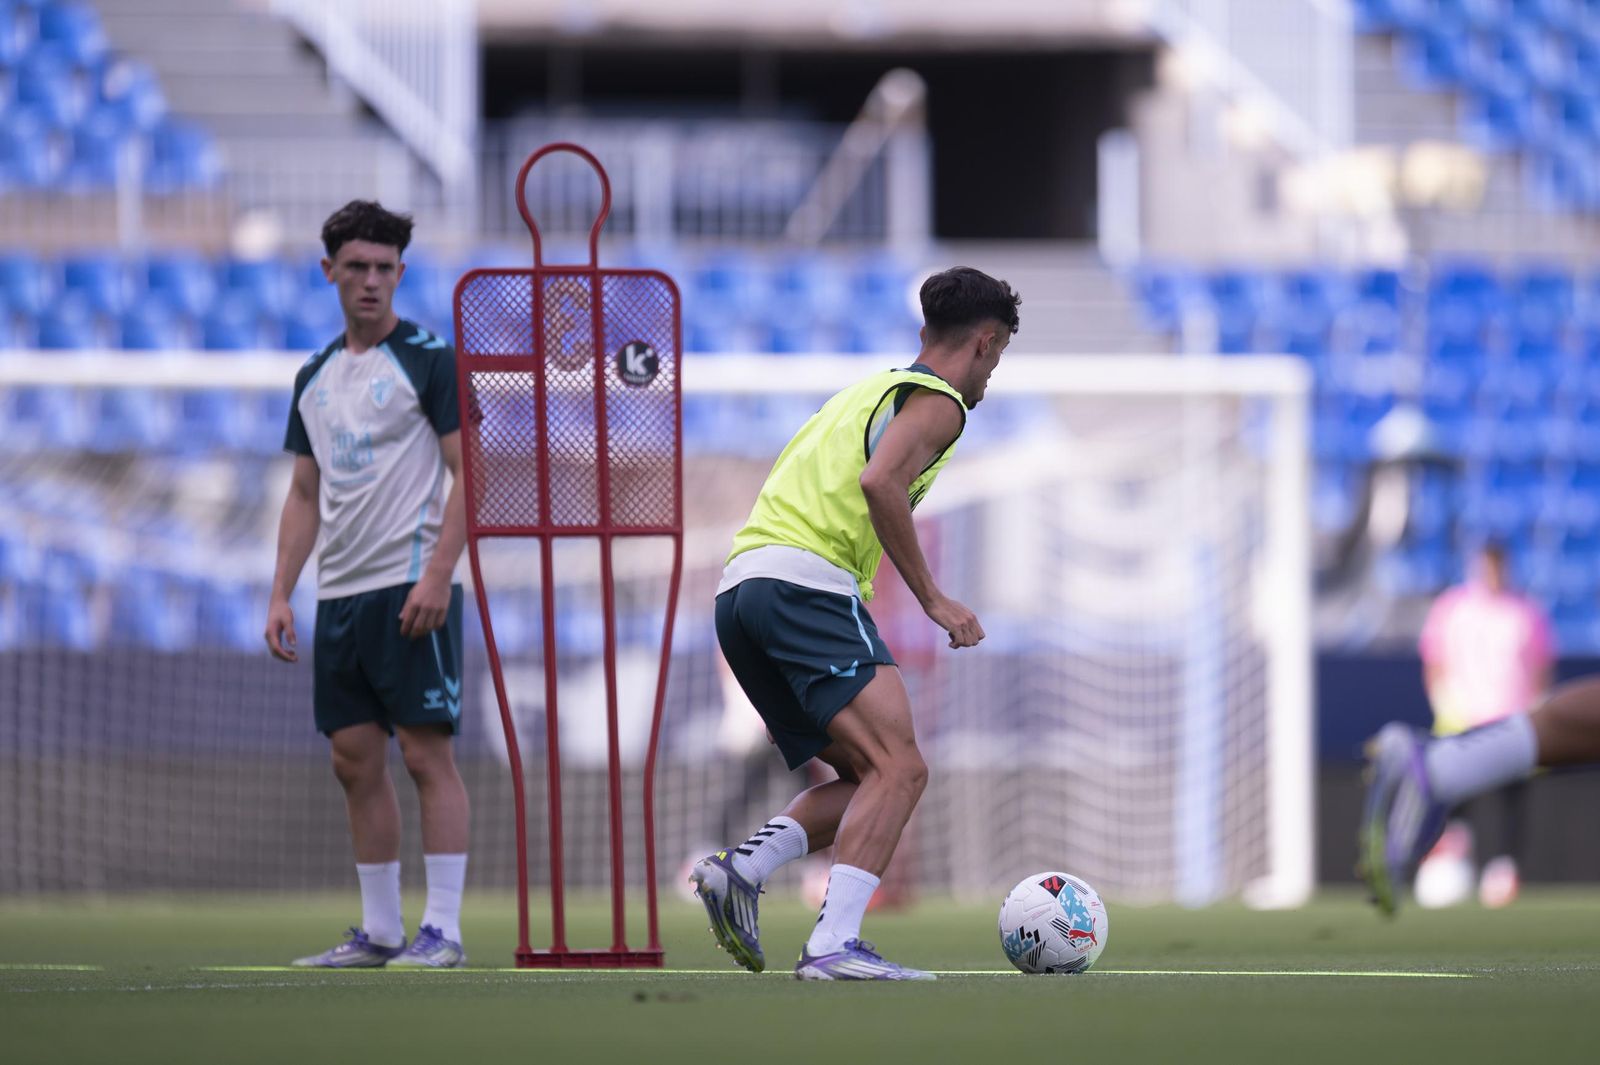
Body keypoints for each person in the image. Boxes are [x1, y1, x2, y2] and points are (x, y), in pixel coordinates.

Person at [689, 266, 1020, 980]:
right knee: (903, 768)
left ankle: (741, 868)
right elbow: (879, 483)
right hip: (806, 584)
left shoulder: (867, 390)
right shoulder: (940, 404)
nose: (992, 377)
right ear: (986, 344)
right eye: (998, 359)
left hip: (742, 590)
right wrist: (934, 598)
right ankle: (832, 944)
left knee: (867, 777)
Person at [265, 200, 470, 967]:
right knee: (353, 757)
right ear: (330, 272)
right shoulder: (313, 377)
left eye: (386, 268)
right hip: (342, 596)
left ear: (401, 275)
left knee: (426, 754)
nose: (372, 281)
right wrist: (283, 591)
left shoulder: (429, 359)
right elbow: (304, 494)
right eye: (357, 266)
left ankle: (443, 929)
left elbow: (469, 473)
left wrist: (440, 573)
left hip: (411, 584)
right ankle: (381, 929)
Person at [1412, 543, 1552, 908]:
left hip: (1511, 721)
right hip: (1463, 721)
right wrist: (1444, 701)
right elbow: (1435, 660)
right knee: (1456, 802)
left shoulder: (1525, 613)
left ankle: (1503, 871)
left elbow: (1540, 666)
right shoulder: (1452, 608)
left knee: (1512, 801)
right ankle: (1449, 868)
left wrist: (1535, 706)